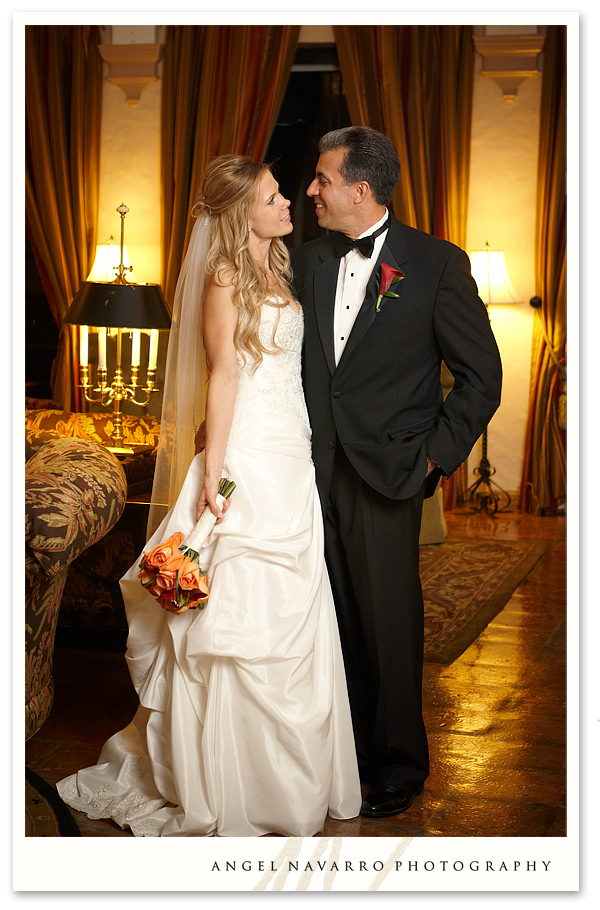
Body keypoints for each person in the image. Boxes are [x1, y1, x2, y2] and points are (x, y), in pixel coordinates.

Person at [57, 155, 361, 837]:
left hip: (292, 458)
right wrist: (215, 476)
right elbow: (223, 379)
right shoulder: (225, 281)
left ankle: (287, 775)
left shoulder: (277, 271)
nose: (289, 204)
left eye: (284, 194)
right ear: (242, 214)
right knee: (231, 621)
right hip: (247, 459)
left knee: (295, 610)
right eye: (276, 197)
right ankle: (228, 781)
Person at [290, 127, 503, 819]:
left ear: (360, 188)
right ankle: (341, 756)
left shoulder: (436, 264)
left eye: (322, 179)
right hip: (307, 468)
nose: (311, 190)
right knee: (327, 617)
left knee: (387, 620)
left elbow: (481, 378)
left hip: (391, 469)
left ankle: (398, 765)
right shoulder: (306, 259)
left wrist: (435, 458)